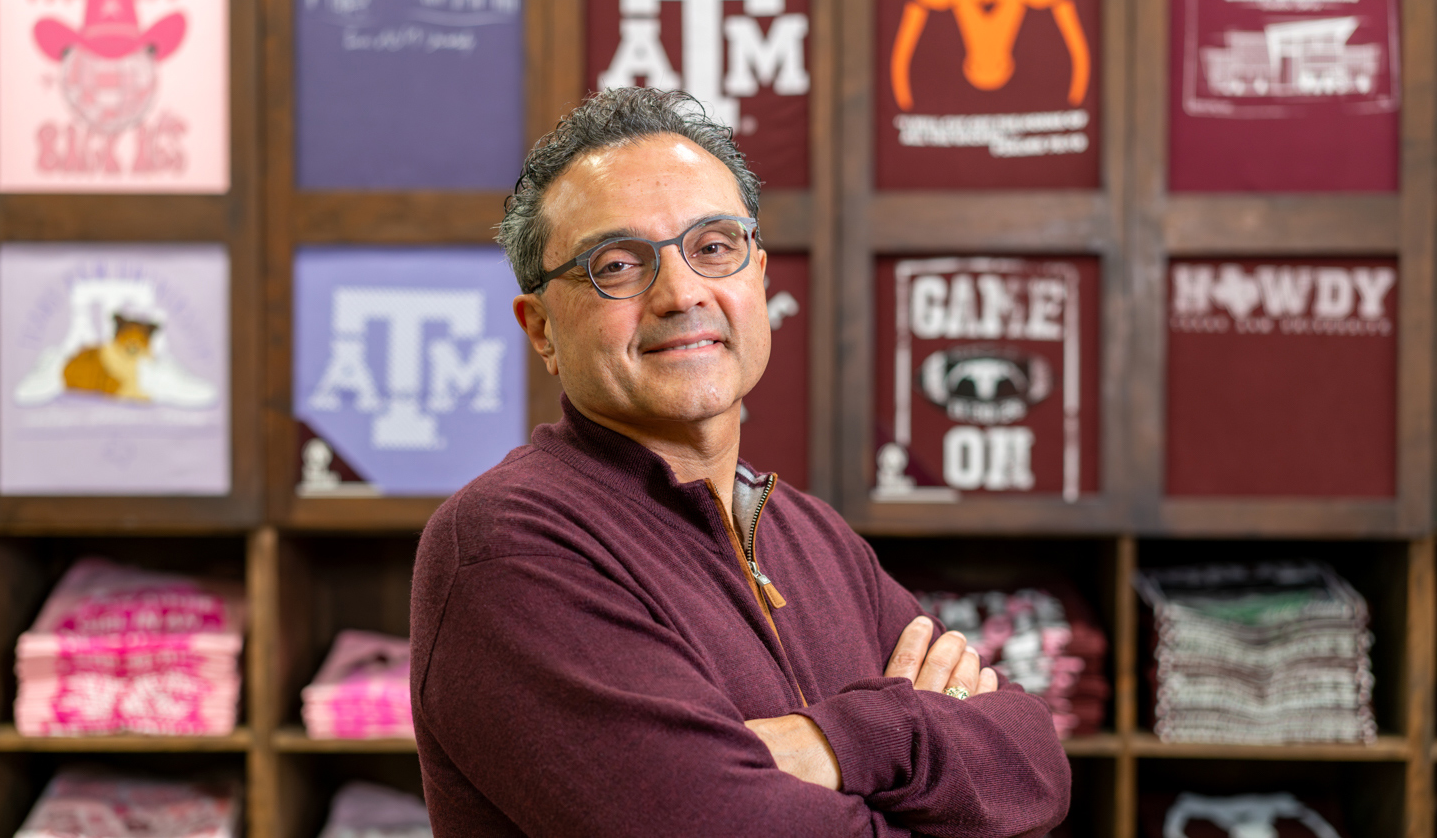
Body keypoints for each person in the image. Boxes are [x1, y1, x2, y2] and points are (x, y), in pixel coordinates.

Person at [409, 87, 1070, 837]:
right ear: (542, 331)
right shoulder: (507, 545)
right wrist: (928, 760)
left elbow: (1035, 766)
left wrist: (839, 739)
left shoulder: (816, 538)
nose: (681, 292)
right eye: (617, 264)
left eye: (714, 247)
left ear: (758, 276)